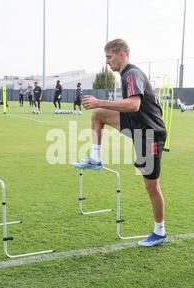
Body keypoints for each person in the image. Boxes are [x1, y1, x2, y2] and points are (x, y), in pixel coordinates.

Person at [74, 39, 168, 248]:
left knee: (151, 185)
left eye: (109, 57)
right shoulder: (125, 75)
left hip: (150, 134)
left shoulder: (132, 74)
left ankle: (160, 231)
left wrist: (99, 101)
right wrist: (100, 106)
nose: (107, 62)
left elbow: (133, 105)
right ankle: (95, 158)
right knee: (98, 115)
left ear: (122, 55)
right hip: (136, 126)